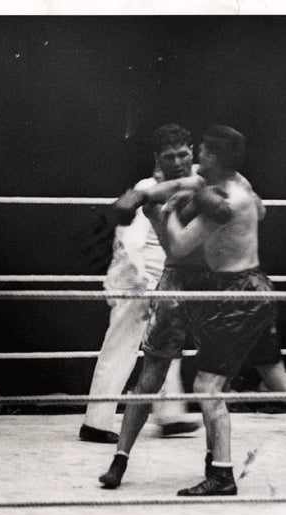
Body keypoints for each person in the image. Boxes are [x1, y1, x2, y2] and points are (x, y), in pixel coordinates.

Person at [100, 126, 286, 496]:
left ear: (213, 157)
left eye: (198, 153)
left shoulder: (226, 202)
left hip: (236, 297)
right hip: (249, 290)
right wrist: (143, 194)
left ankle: (221, 474)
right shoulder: (232, 184)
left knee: (207, 385)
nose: (192, 160)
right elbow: (257, 209)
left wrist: (163, 213)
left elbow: (177, 246)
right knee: (276, 376)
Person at [79, 124, 201, 443]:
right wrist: (147, 287)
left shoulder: (194, 181)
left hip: (167, 279)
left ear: (193, 150)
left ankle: (171, 416)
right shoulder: (146, 187)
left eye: (183, 153)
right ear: (157, 158)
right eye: (169, 156)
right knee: (121, 346)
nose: (177, 161)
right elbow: (129, 246)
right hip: (137, 281)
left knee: (164, 346)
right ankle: (96, 422)